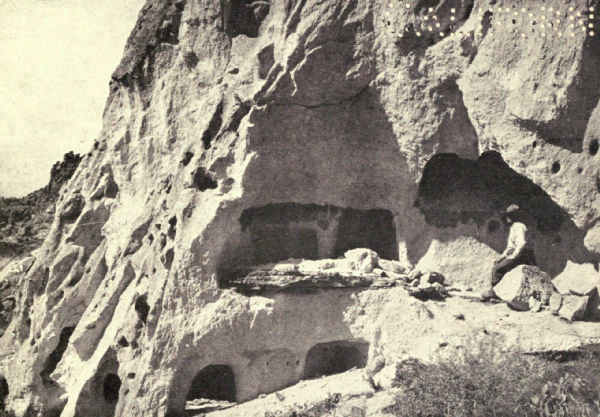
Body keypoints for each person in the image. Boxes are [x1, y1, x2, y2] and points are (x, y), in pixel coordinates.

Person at [482, 204, 536, 300]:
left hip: (524, 254)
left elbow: (522, 243)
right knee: (498, 265)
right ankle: (501, 291)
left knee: (498, 269)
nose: (507, 218)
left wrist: (514, 256)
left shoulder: (519, 226)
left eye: (510, 216)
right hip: (521, 253)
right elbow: (510, 247)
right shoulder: (513, 227)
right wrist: (501, 257)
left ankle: (495, 292)